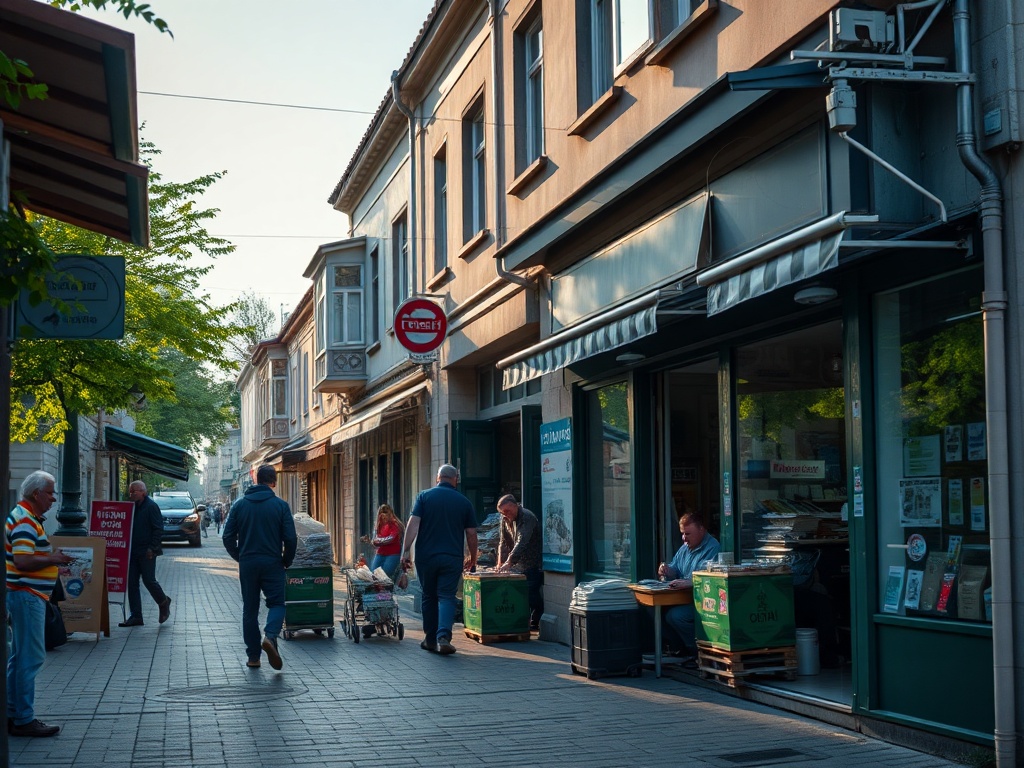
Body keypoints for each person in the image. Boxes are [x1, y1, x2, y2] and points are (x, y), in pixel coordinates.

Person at [6, 470, 74, 737]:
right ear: (36, 494)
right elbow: (22, 561)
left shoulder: (26, 516)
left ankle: (15, 713)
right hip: (27, 596)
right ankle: (23, 718)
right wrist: (54, 559)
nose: (54, 498)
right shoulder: (25, 521)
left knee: (20, 658)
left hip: (25, 594)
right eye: (50, 493)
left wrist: (52, 559)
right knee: (30, 658)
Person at [222, 465, 297, 670]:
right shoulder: (280, 506)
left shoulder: (239, 505)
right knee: (277, 603)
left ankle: (253, 657)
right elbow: (290, 538)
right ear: (273, 481)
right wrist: (286, 561)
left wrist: (240, 557)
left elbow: (227, 537)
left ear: (256, 480)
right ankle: (270, 636)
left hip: (248, 564)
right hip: (272, 562)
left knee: (250, 610)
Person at [401, 464, 478, 656]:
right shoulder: (464, 502)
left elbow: (413, 524)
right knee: (446, 596)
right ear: (455, 479)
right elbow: (471, 534)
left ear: (438, 478)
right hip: (452, 557)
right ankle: (443, 637)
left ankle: (429, 639)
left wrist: (405, 551)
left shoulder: (424, 497)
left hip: (426, 557)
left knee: (429, 596)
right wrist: (473, 558)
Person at [656, 510, 720, 661]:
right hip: (683, 598)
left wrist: (691, 582)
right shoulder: (685, 547)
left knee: (676, 616)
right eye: (682, 534)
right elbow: (675, 568)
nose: (684, 538)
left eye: (688, 534)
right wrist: (666, 569)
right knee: (653, 609)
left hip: (704, 602)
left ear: (701, 530)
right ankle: (678, 646)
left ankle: (697, 651)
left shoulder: (713, 548)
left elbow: (710, 580)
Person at [119, 481, 172, 627]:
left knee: (149, 580)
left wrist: (152, 548)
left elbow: (158, 529)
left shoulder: (151, 506)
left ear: (143, 491)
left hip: (147, 551)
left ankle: (163, 601)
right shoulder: (132, 507)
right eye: (130, 492)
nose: (131, 494)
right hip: (132, 550)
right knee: (132, 582)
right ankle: (136, 616)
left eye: (134, 491)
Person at [494, 494, 544, 632]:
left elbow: (522, 541)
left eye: (508, 511)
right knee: (519, 593)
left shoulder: (527, 517)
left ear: (515, 506)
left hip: (532, 562)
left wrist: (509, 561)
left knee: (531, 592)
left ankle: (535, 621)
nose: (506, 515)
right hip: (519, 564)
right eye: (502, 513)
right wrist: (500, 562)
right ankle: (524, 621)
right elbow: (503, 542)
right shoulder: (505, 518)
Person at [361, 504, 403, 581]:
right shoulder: (378, 525)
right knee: (373, 573)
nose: (384, 518)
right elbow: (375, 539)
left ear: (390, 514)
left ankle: (386, 591)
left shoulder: (395, 524)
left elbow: (391, 538)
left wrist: (378, 541)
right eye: (382, 516)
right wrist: (372, 541)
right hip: (380, 553)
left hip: (393, 554)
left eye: (386, 515)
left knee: (385, 575)